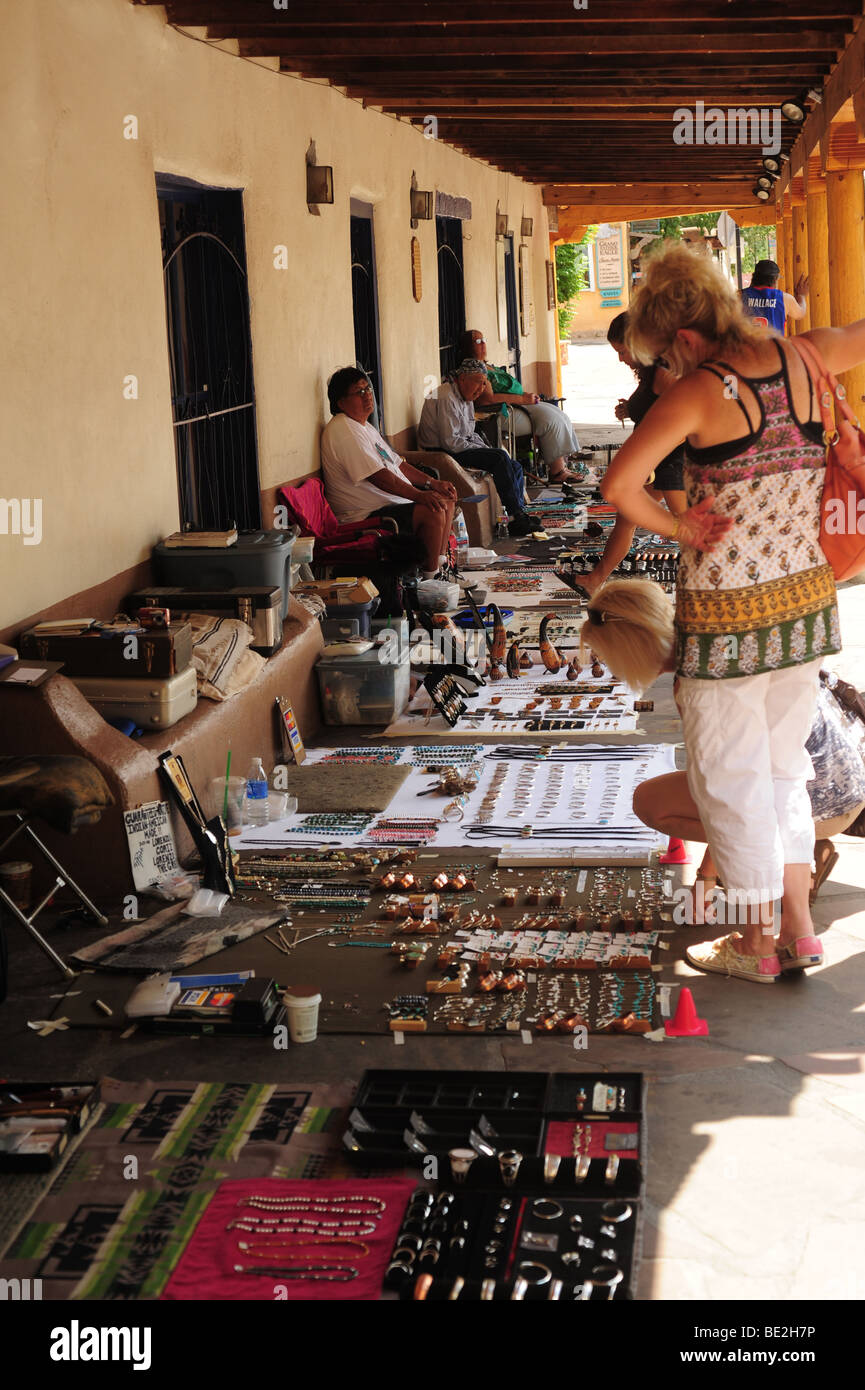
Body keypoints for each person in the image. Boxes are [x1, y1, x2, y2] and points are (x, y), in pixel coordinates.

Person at [597, 239, 865, 985]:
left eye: (664, 351)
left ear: (683, 336)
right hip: (807, 606)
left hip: (726, 619)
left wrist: (681, 528)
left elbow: (620, 485)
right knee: (780, 772)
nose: (667, 365)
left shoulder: (696, 393)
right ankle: (799, 930)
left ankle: (753, 941)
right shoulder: (804, 356)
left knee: (729, 778)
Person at [580, 580, 865, 934]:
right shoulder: (707, 643)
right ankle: (796, 862)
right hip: (846, 781)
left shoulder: (696, 683)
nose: (612, 669)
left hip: (820, 800)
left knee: (651, 802)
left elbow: (734, 790)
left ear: (631, 645)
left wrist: (704, 882)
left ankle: (780, 872)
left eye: (608, 657)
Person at [566, 312, 688, 598]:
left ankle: (716, 585)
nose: (621, 358)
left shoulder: (666, 371)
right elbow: (650, 407)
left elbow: (683, 419)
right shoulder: (650, 369)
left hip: (673, 462)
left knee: (686, 530)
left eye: (622, 351)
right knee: (628, 517)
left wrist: (648, 456)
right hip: (659, 461)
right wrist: (629, 409)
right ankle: (595, 580)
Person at [321, 367, 456, 580]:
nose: (367, 396)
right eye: (359, 392)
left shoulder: (364, 427)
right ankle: (431, 582)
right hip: (364, 516)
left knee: (445, 499)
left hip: (389, 505)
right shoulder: (343, 429)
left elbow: (397, 464)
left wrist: (431, 484)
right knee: (432, 510)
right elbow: (379, 476)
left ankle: (439, 566)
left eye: (368, 389)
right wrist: (419, 495)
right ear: (341, 402)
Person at [417, 359, 542, 537]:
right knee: (498, 458)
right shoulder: (446, 396)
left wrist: (484, 448)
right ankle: (517, 518)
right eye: (479, 381)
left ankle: (519, 514)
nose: (482, 388)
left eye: (485, 383)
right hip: (441, 452)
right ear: (462, 379)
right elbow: (450, 442)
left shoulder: (465, 396)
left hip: (458, 446)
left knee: (513, 464)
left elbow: (470, 432)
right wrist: (486, 452)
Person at [457, 329, 582, 483]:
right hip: (501, 411)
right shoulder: (475, 369)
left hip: (519, 404)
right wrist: (523, 399)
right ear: (467, 347)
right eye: (477, 341)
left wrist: (526, 398)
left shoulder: (488, 365)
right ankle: (557, 472)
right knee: (549, 420)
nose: (483, 344)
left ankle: (563, 465)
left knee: (558, 413)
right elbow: (488, 399)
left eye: (484, 340)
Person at [741, 259, 808, 333]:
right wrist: (802, 296)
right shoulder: (784, 298)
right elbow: (800, 313)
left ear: (754, 277)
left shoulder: (739, 296)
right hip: (773, 344)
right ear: (775, 279)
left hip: (747, 344)